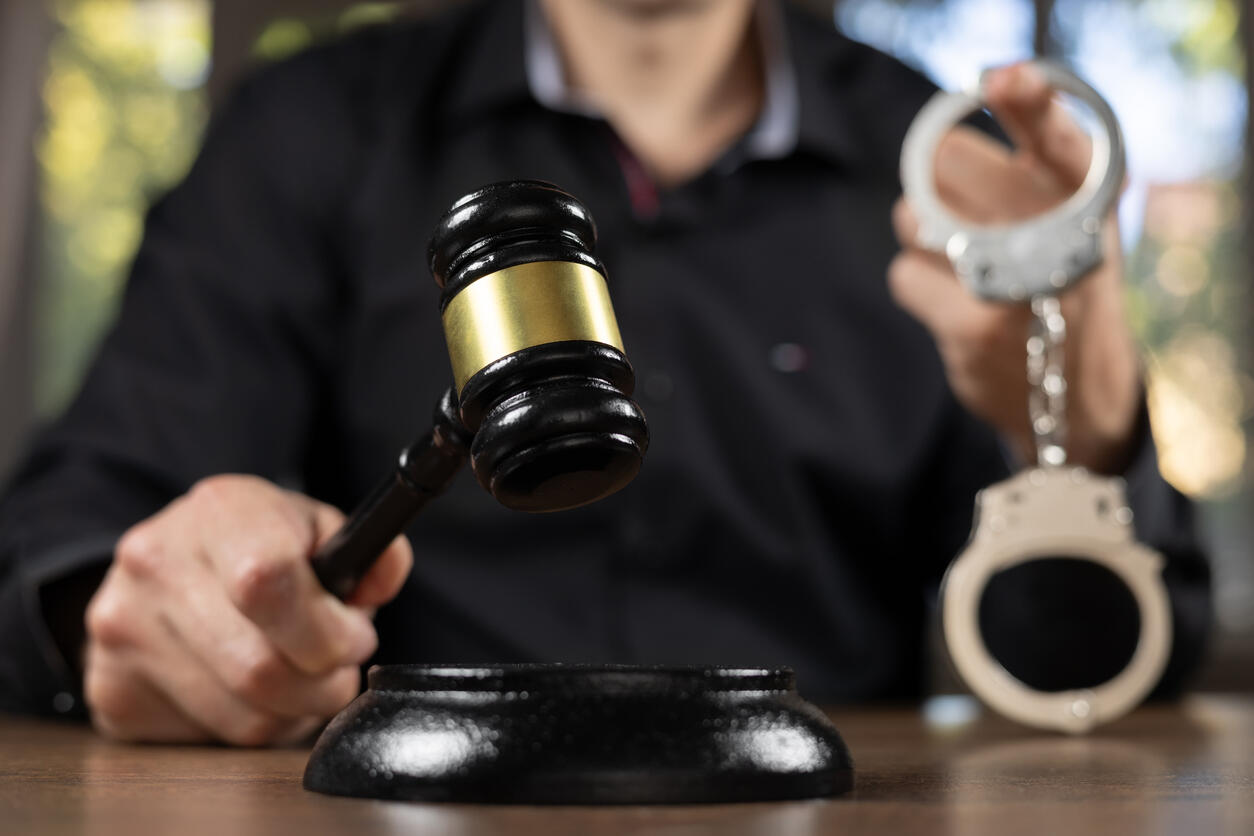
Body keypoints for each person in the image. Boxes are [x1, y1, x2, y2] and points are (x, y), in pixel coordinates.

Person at [0, 0, 1209, 745]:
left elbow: (1087, 677)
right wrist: (146, 618)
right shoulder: (311, 131)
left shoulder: (949, 181)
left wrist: (1082, 424)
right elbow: (76, 534)